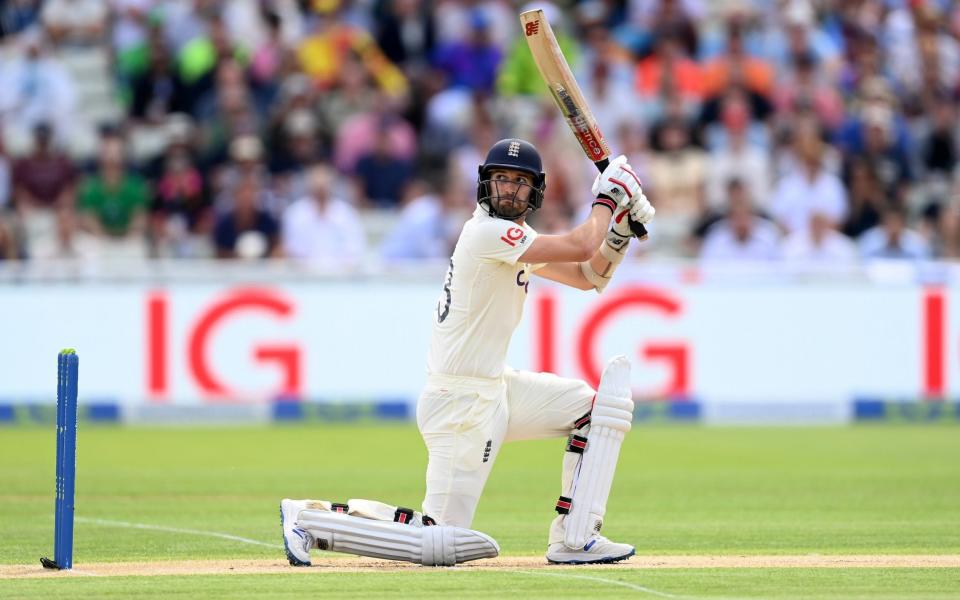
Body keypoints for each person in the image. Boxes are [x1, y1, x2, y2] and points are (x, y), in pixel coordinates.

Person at [280, 139, 654, 566]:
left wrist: (620, 231)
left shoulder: (516, 241)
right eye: (502, 179)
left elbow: (590, 276)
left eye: (520, 181)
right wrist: (608, 196)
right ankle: (310, 518)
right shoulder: (486, 233)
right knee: (438, 540)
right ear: (485, 184)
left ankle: (575, 537)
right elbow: (581, 246)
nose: (510, 189)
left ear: (535, 191)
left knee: (597, 409)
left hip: (497, 388)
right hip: (459, 403)